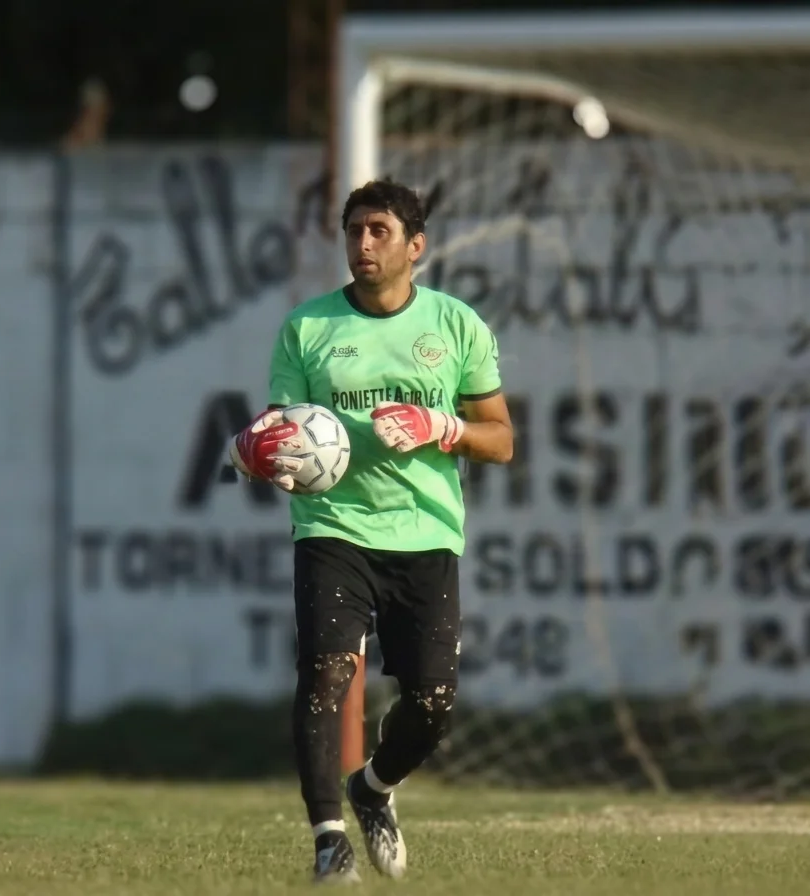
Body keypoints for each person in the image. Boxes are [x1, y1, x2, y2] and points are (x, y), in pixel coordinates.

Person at [230, 178, 513, 883]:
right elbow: (281, 433)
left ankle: (373, 790)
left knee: (432, 704)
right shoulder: (308, 329)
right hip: (333, 527)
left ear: (414, 246)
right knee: (325, 675)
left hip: (425, 532)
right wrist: (260, 455)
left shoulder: (456, 327)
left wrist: (440, 426)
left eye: (378, 231)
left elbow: (501, 439)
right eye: (354, 230)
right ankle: (328, 838)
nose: (362, 244)